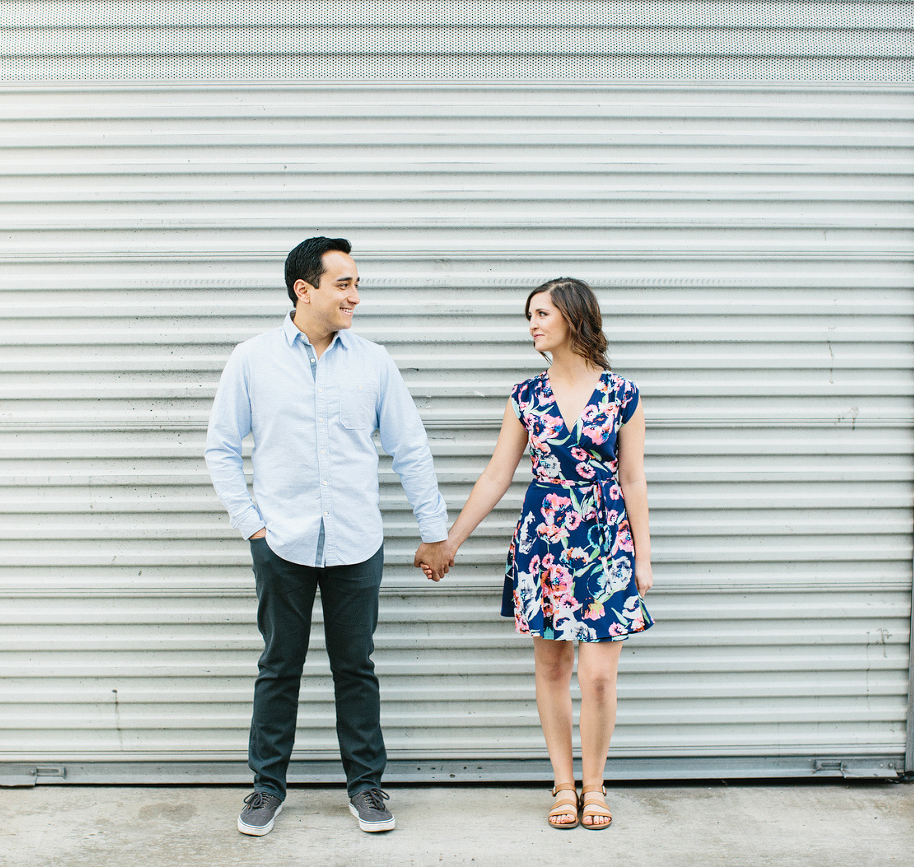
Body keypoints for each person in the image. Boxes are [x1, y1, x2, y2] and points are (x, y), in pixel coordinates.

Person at [205, 237, 453, 837]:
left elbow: (410, 449)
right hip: (281, 542)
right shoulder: (252, 359)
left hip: (356, 541)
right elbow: (220, 448)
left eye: (355, 283)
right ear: (304, 289)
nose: (355, 296)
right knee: (278, 666)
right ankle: (266, 788)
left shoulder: (373, 361)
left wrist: (434, 530)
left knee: (356, 668)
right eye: (344, 284)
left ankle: (366, 787)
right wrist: (254, 527)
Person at [423, 277, 653, 830]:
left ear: (573, 317)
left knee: (598, 675)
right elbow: (498, 474)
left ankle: (595, 784)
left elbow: (635, 479)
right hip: (545, 540)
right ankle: (564, 785)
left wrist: (643, 557)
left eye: (542, 313)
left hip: (604, 541)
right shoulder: (525, 396)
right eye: (529, 314)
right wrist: (450, 541)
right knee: (553, 664)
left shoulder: (622, 394)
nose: (532, 324)